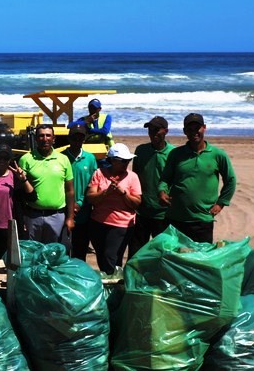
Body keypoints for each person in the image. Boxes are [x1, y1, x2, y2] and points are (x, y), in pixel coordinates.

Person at [158, 113, 237, 244]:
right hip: (175, 217)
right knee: (176, 259)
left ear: (204, 128)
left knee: (199, 260)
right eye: (190, 129)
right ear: (184, 131)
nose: (194, 132)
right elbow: (165, 178)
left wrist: (221, 203)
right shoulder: (176, 154)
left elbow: (230, 180)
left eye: (197, 128)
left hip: (202, 219)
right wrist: (161, 191)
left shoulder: (218, 155)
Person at [85, 143, 142, 273]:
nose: (126, 163)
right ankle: (112, 282)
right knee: (102, 257)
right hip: (98, 222)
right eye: (123, 161)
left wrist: (123, 193)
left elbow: (136, 203)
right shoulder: (99, 173)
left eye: (128, 160)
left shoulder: (132, 177)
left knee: (110, 257)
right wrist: (107, 192)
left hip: (121, 224)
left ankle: (113, 284)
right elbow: (91, 197)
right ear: (112, 160)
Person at [19, 124, 75, 247]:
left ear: (54, 138)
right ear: (35, 139)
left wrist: (70, 218)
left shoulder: (63, 159)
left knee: (53, 254)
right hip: (32, 216)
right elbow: (20, 192)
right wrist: (21, 217)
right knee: (32, 253)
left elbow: (70, 191)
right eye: (41, 136)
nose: (45, 139)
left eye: (48, 135)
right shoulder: (25, 159)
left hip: (57, 216)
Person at [128, 115, 175, 258]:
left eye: (156, 129)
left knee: (163, 253)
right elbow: (135, 178)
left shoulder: (173, 153)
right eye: (150, 129)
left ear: (165, 131)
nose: (152, 133)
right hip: (142, 211)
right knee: (136, 253)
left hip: (163, 213)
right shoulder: (141, 150)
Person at [63, 122, 98, 261]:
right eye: (74, 138)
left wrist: (80, 202)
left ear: (84, 139)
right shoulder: (62, 157)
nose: (77, 141)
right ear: (69, 138)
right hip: (64, 210)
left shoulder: (90, 159)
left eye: (80, 138)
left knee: (80, 250)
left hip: (84, 211)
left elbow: (93, 183)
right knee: (64, 249)